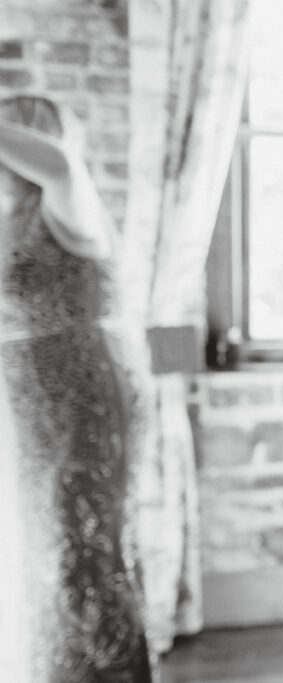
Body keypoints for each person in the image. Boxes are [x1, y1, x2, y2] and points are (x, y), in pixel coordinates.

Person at [0, 95, 153, 681]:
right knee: (44, 556)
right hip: (30, 406)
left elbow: (60, 164)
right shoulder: (10, 218)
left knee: (84, 553)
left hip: (86, 399)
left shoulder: (69, 199)